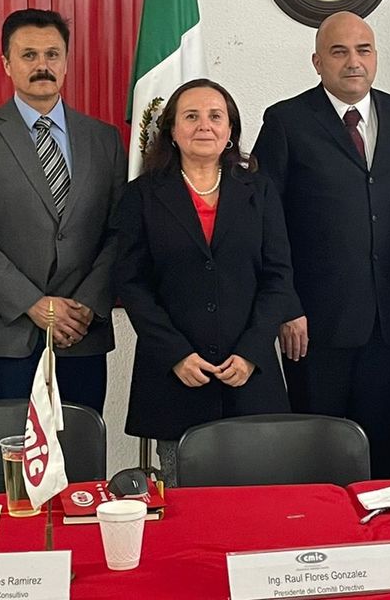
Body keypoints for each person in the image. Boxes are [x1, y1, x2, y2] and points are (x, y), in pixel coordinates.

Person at [253, 11, 390, 480]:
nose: (353, 61)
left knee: (381, 454)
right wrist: (285, 306)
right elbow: (266, 223)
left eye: (363, 50)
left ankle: (377, 525)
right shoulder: (286, 120)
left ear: (375, 56)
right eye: (339, 52)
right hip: (314, 324)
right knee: (318, 458)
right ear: (317, 62)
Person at [113, 79, 300, 485]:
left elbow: (278, 277)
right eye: (191, 116)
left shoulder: (260, 190)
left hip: (249, 377)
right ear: (172, 130)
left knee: (255, 501)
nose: (204, 125)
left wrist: (251, 352)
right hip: (176, 378)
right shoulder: (141, 195)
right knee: (184, 501)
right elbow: (131, 284)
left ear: (230, 129)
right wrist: (176, 354)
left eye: (216, 116)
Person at [0, 8, 125, 414]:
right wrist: (35, 304)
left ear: (66, 62)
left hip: (81, 332)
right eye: (28, 55)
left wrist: (86, 305)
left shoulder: (104, 139)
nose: (43, 65)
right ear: (6, 64)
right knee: (13, 450)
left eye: (52, 54)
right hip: (10, 334)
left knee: (82, 445)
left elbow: (119, 232)